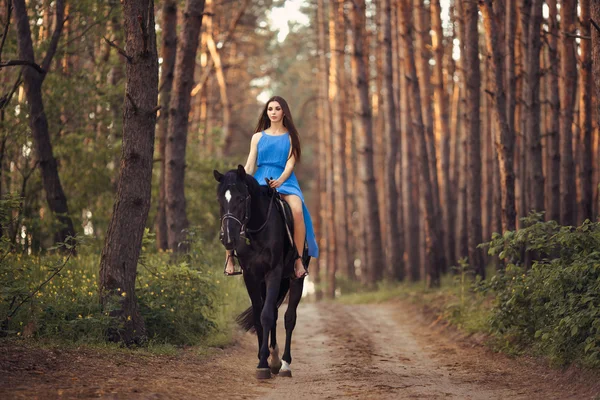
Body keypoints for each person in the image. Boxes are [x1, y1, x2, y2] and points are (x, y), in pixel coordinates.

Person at [224, 96, 319, 279]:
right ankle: (230, 257)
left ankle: (298, 259)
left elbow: (290, 164)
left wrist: (281, 180)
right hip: (260, 180)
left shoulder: (292, 137)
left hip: (286, 181)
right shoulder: (257, 137)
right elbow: (251, 164)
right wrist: (241, 179)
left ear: (284, 111)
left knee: (297, 211)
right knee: (235, 208)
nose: (273, 112)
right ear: (266, 112)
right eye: (270, 109)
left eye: (277, 109)